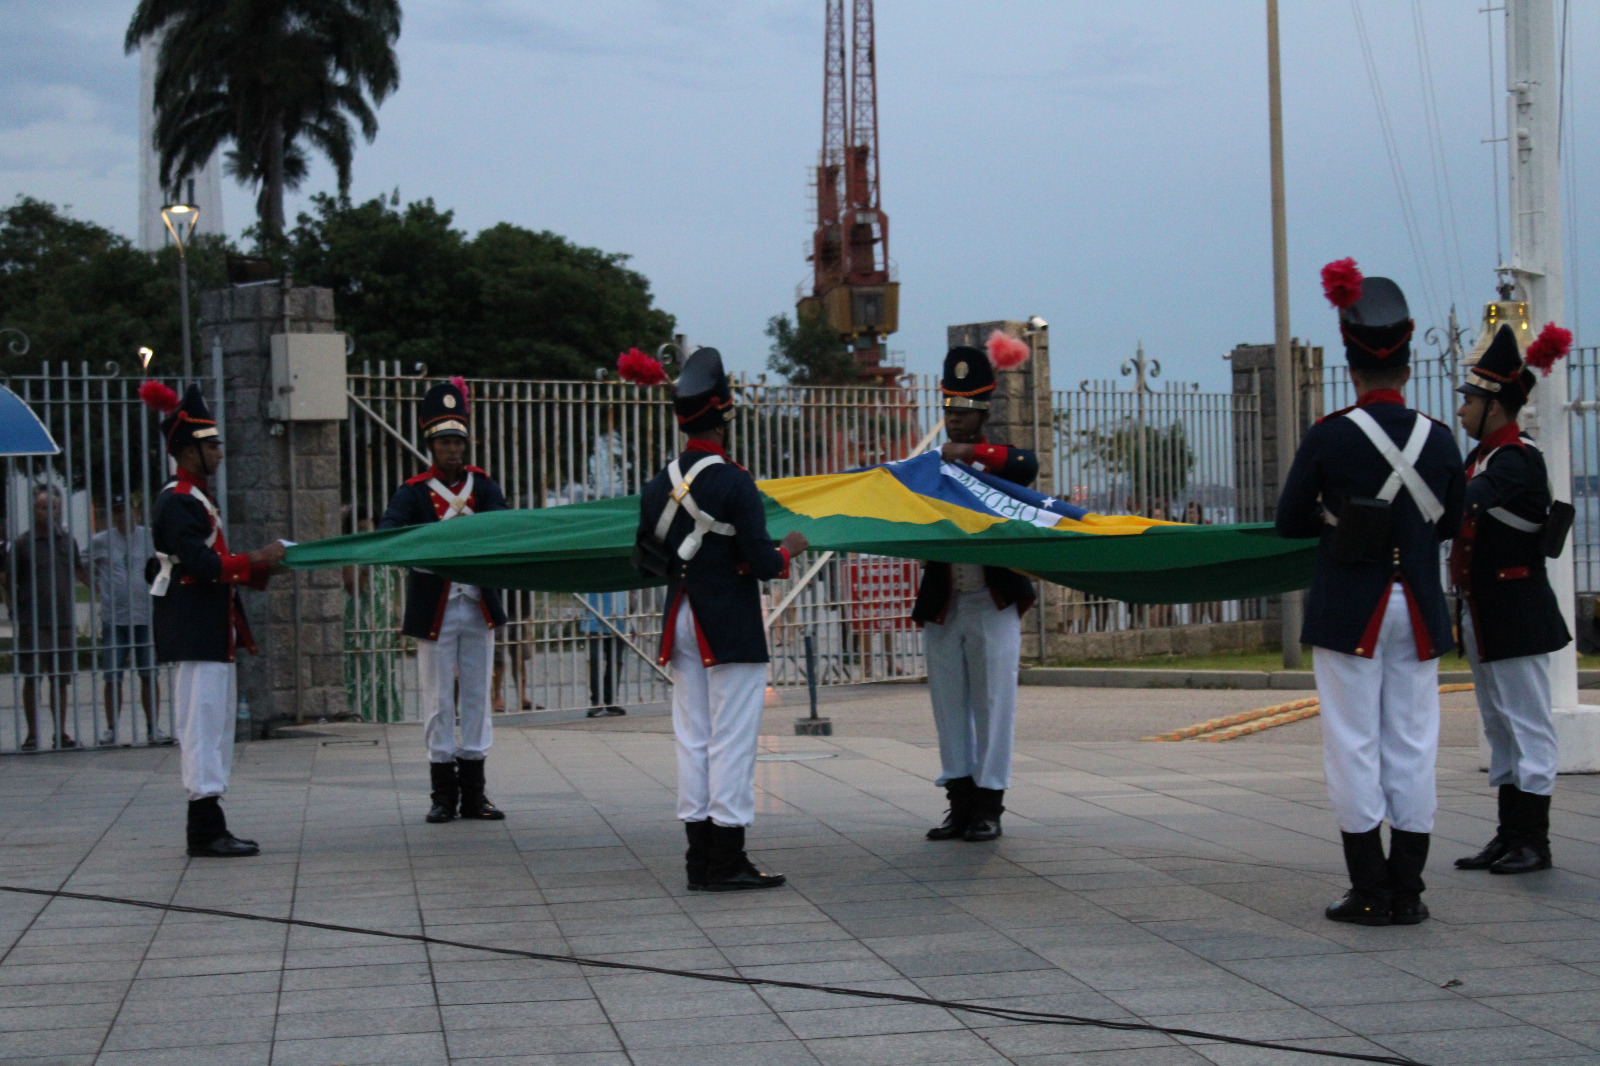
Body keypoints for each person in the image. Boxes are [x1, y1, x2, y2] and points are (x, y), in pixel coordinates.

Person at [1276, 261, 1464, 925]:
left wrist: (1336, 519)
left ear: (1351, 365)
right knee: (1413, 744)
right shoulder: (1440, 440)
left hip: (1348, 607)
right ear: (1407, 365)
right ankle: (1408, 891)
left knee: (1352, 743)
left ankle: (1368, 887)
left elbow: (1288, 520)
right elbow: (1453, 520)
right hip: (1416, 606)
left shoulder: (1331, 435)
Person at [636, 347, 807, 891]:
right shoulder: (736, 482)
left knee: (693, 738)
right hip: (727, 622)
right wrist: (790, 550)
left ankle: (698, 860)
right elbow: (761, 562)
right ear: (723, 418)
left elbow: (649, 553)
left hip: (681, 619)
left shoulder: (658, 483)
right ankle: (727, 858)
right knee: (731, 740)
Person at [142, 382, 286, 857]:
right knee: (203, 725)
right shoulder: (180, 500)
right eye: (211, 445)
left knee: (216, 725)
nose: (220, 453)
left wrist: (256, 566)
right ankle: (204, 827)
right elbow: (203, 567)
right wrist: (257, 558)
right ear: (187, 451)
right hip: (196, 627)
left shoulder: (195, 497)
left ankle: (211, 820)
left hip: (210, 627)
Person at [1450, 323, 1571, 875]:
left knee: (1528, 725)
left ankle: (1534, 841)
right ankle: (1508, 834)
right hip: (1484, 614)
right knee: (1499, 726)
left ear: (1494, 406)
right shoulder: (1481, 459)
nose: (1462, 411)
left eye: (1470, 400)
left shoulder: (1517, 460)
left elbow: (1464, 503)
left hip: (1517, 614)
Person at [912, 345, 1040, 843]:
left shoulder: (998, 461)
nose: (956, 423)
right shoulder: (930, 466)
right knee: (948, 707)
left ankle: (990, 806)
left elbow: (1026, 464)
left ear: (983, 413)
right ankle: (959, 805)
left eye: (965, 414)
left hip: (992, 600)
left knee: (993, 706)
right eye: (949, 413)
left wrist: (971, 454)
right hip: (946, 603)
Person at [378, 379, 509, 824]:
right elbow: (389, 531)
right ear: (431, 445)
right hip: (434, 606)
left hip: (476, 605)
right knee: (437, 701)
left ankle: (475, 793)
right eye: (443, 442)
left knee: (475, 695)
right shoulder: (413, 491)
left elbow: (503, 528)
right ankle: (442, 795)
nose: (452, 450)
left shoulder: (484, 486)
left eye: (457, 441)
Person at [2, 488, 89, 750]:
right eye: (43, 508)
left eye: (53, 508)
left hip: (62, 618)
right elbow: (9, 579)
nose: (49, 513)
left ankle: (60, 733)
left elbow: (78, 571)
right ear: (33, 511)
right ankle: (31, 734)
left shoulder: (66, 541)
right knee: (32, 676)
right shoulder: (23, 544)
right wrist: (15, 609)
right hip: (34, 619)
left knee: (60, 677)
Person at [91, 494, 167, 746]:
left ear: (135, 512)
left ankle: (152, 727)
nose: (124, 516)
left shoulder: (148, 537)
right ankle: (112, 728)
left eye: (127, 510)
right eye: (118, 512)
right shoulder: (101, 541)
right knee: (113, 675)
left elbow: (164, 564)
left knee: (149, 673)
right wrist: (97, 587)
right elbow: (82, 564)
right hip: (115, 617)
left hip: (144, 615)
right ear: (113, 515)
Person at [341, 505, 402, 723]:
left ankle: (385, 716)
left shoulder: (384, 553)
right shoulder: (349, 553)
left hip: (382, 623)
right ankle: (363, 715)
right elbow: (352, 588)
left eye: (369, 529)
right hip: (361, 623)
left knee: (385, 671)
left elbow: (391, 585)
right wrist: (365, 566)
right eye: (361, 530)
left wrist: (396, 617)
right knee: (361, 673)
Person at [583, 590, 626, 717]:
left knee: (615, 661)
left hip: (619, 618)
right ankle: (597, 702)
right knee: (595, 660)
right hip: (593, 616)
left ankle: (611, 700)